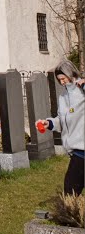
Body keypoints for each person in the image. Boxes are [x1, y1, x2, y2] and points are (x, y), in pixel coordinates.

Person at [36, 58, 84, 196]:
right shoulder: (63, 97)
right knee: (71, 189)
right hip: (75, 150)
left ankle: (69, 214)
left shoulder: (82, 92)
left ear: (71, 74)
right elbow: (62, 119)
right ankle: (73, 213)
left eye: (63, 78)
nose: (62, 82)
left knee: (70, 189)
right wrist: (49, 123)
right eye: (59, 80)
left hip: (82, 150)